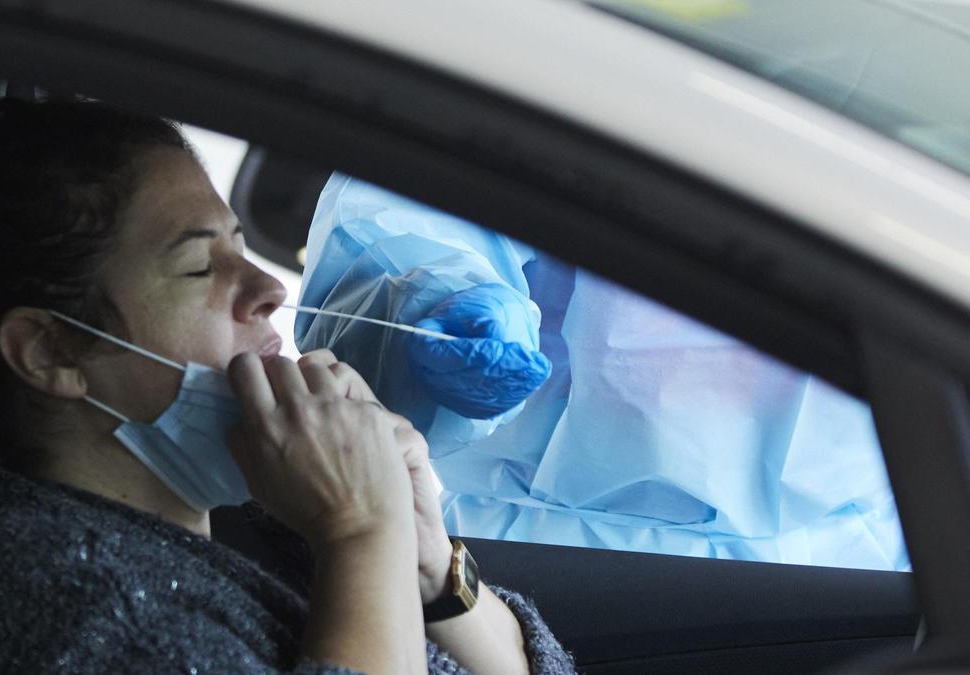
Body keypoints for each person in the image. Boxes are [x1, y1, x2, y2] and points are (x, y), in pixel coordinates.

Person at [0, 98, 573, 674]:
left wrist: (424, 562)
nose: (267, 286)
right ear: (50, 350)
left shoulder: (265, 527)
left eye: (240, 244)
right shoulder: (43, 605)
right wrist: (362, 533)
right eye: (201, 267)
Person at [295, 174, 907, 572]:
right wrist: (437, 304)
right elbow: (400, 216)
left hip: (858, 566)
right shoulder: (555, 44)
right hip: (550, 562)